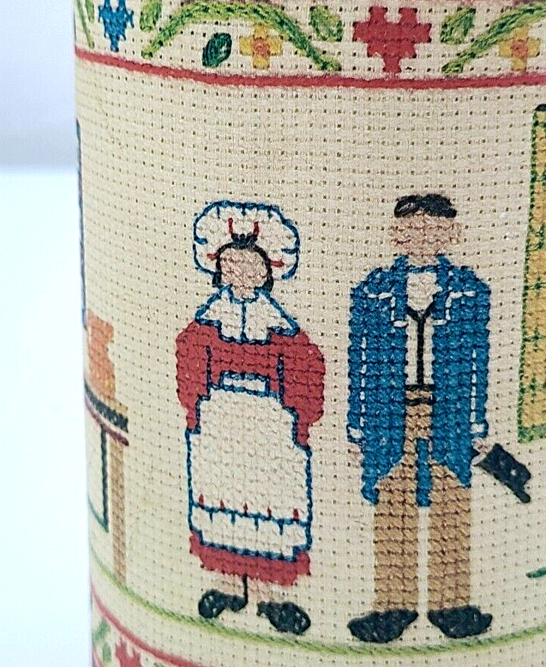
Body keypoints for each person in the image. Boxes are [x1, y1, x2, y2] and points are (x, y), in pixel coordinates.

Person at [347, 194, 492, 642]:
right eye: (412, 229)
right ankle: (394, 606)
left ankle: (452, 605)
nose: (422, 237)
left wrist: (476, 425)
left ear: (451, 234)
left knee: (452, 500)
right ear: (397, 235)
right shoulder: (373, 293)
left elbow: (477, 360)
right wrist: (358, 426)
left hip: (449, 412)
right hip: (390, 412)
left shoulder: (468, 292)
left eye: (433, 228)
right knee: (393, 503)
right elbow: (361, 360)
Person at [176, 202, 324, 635]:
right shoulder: (209, 321)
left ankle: (268, 594)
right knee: (222, 498)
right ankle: (228, 584)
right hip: (219, 424)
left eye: (251, 266)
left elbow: (306, 370)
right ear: (218, 269)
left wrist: (297, 418)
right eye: (232, 264)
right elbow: (190, 362)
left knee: (269, 503)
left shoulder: (279, 326)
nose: (241, 272)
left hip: (270, 427)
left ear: (268, 272)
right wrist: (197, 408)